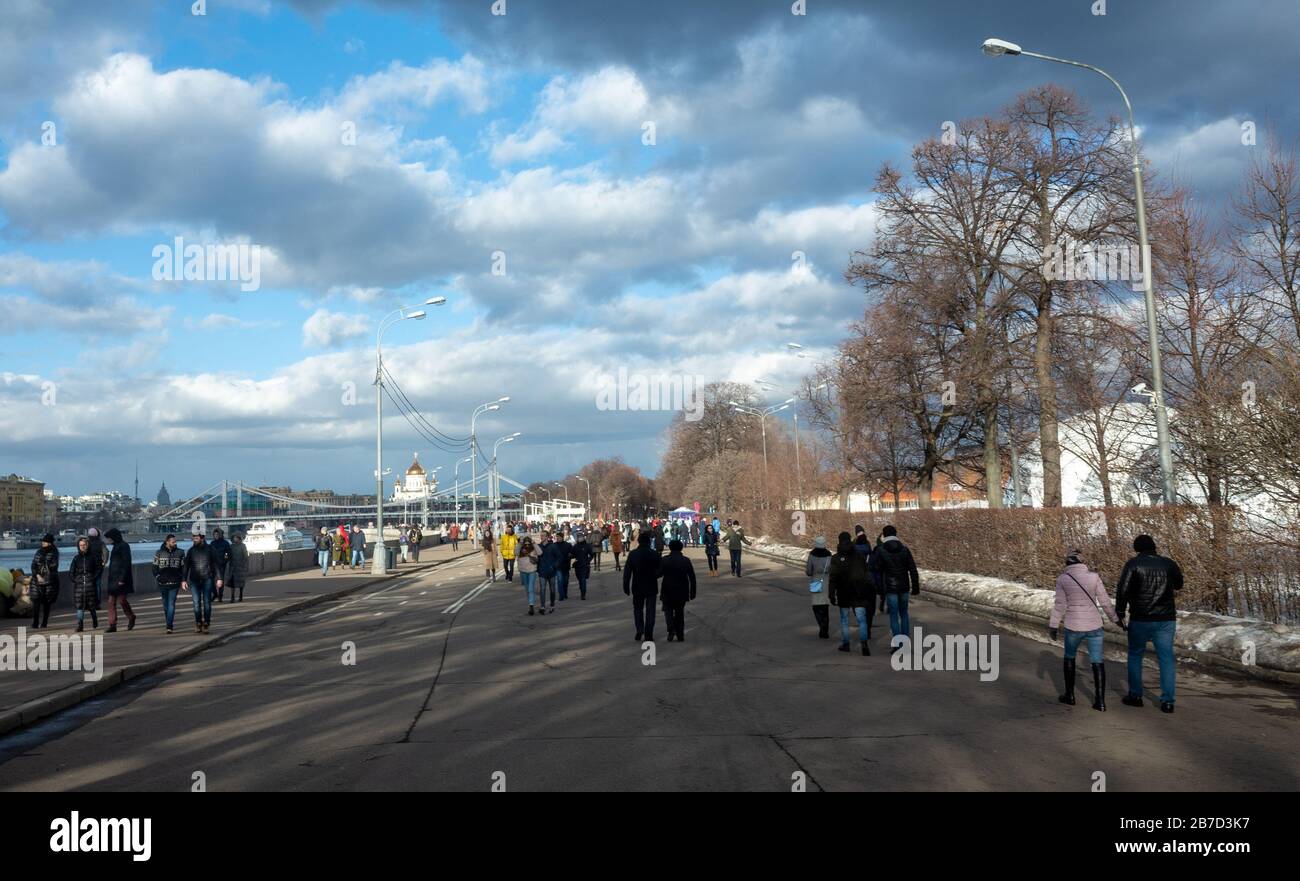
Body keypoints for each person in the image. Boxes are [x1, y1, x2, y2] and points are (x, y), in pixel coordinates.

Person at [1116, 534, 1183, 714]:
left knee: (1135, 655)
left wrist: (1120, 612)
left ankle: (1135, 696)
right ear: (1154, 547)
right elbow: (1179, 584)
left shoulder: (1133, 564)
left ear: (1136, 549)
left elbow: (1123, 590)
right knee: (1166, 658)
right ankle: (1168, 702)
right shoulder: (1168, 563)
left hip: (1140, 617)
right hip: (1166, 618)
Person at [1050, 549, 1119, 710]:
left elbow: (1060, 605)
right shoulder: (1094, 577)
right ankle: (1100, 701)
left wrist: (1053, 625)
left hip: (1073, 625)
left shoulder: (1063, 579)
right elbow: (1105, 602)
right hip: (1094, 625)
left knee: (1069, 657)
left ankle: (1070, 696)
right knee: (1097, 661)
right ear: (1082, 563)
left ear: (1067, 563)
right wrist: (1115, 619)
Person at [871, 525, 919, 653]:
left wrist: (880, 589)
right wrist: (915, 586)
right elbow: (913, 569)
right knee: (904, 614)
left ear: (884, 535)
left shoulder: (881, 550)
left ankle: (898, 644)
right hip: (903, 586)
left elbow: (877, 572)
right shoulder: (904, 549)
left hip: (890, 588)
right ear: (896, 534)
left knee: (893, 616)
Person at [829, 531, 872, 655]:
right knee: (861, 619)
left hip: (843, 593)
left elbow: (833, 578)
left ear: (839, 541)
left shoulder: (836, 558)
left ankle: (846, 644)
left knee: (844, 619)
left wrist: (831, 594)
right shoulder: (859, 557)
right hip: (859, 592)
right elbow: (866, 575)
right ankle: (864, 643)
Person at [623, 531, 662, 642]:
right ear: (649, 542)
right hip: (651, 585)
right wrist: (655, 575)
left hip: (637, 585)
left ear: (639, 541)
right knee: (651, 611)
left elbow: (627, 572)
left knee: (638, 609)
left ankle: (639, 629)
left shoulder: (633, 554)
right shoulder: (654, 554)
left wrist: (626, 585)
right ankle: (648, 633)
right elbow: (661, 569)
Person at [183, 531, 220, 634]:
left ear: (202, 539)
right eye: (193, 538)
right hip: (194, 580)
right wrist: (183, 580)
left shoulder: (210, 549)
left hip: (207, 578)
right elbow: (186, 566)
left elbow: (216, 564)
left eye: (196, 538)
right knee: (196, 603)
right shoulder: (191, 551)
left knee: (207, 602)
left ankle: (207, 623)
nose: (194, 540)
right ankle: (198, 623)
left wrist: (219, 578)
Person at [660, 540, 697, 642]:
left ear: (670, 548)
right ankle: (680, 634)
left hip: (667, 589)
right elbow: (692, 577)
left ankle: (671, 628)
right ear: (681, 548)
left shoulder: (665, 560)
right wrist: (692, 592)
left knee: (668, 610)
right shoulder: (685, 560)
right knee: (679, 612)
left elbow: (658, 574)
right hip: (682, 590)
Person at [103, 527, 136, 633]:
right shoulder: (115, 546)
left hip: (122, 579)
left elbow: (126, 563)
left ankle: (131, 616)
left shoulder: (124, 546)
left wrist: (122, 579)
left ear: (114, 537)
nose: (108, 541)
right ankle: (112, 624)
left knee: (122, 600)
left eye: (109, 538)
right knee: (111, 602)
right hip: (113, 579)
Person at [153, 534, 185, 633]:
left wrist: (182, 579)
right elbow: (154, 567)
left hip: (175, 582)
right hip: (162, 583)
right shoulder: (159, 553)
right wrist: (158, 577)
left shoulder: (180, 552)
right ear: (167, 542)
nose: (175, 543)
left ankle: (169, 626)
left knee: (171, 604)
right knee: (165, 605)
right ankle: (168, 620)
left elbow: (183, 568)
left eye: (175, 542)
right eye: (173, 542)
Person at [70, 536, 102, 632]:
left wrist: (93, 577)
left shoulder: (93, 557)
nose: (82, 547)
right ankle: (80, 625)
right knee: (80, 606)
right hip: (79, 585)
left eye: (84, 545)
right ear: (78, 546)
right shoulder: (76, 558)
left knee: (91, 606)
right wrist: (75, 579)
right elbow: (71, 572)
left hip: (90, 584)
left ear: (87, 545)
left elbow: (98, 568)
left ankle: (95, 620)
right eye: (80, 545)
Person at [29, 533, 59, 630]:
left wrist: (44, 571)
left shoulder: (54, 553)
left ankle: (44, 622)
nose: (43, 543)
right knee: (36, 601)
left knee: (47, 602)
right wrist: (37, 575)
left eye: (45, 542)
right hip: (36, 580)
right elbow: (33, 564)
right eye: (43, 541)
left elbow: (54, 567)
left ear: (50, 543)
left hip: (49, 581)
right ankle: (35, 622)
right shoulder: (38, 552)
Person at [804, 535, 832, 639]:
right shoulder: (829, 555)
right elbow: (831, 569)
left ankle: (821, 625)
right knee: (825, 606)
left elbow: (809, 571)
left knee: (816, 606)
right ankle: (825, 628)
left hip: (816, 580)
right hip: (826, 581)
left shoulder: (812, 554)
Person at [852, 528, 877, 638]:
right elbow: (876, 569)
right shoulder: (871, 554)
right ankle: (868, 628)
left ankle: (863, 627)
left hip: (857, 583)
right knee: (870, 608)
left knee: (857, 606)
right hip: (870, 583)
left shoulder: (853, 554)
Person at [537, 531, 561, 614]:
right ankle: (542, 606)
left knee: (552, 590)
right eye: (541, 536)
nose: (541, 537)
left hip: (551, 572)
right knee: (542, 589)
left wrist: (554, 566)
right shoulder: (538, 547)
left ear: (547, 537)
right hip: (542, 571)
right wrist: (537, 568)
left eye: (543, 536)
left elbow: (559, 557)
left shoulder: (553, 546)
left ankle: (552, 605)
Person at [518, 536, 539, 615]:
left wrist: (534, 543)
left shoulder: (533, 548)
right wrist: (520, 543)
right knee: (527, 589)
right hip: (523, 571)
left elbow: (540, 552)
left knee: (530, 589)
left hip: (532, 571)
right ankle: (530, 602)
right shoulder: (520, 549)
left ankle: (531, 606)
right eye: (525, 543)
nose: (527, 545)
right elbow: (515, 553)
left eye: (528, 543)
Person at [210, 527, 232, 602]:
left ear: (220, 535)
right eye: (214, 534)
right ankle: (215, 594)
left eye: (217, 534)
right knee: (211, 581)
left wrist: (225, 560)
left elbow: (228, 553)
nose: (216, 536)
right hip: (212, 565)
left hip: (221, 565)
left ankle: (220, 596)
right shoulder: (212, 543)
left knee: (220, 581)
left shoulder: (225, 543)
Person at [229, 532, 249, 602]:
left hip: (240, 567)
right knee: (232, 583)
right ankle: (232, 597)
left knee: (241, 583)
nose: (235, 539)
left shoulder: (243, 546)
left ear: (239, 538)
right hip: (233, 567)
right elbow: (228, 555)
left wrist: (245, 566)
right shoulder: (231, 546)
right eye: (234, 537)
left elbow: (246, 556)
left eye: (236, 537)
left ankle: (240, 595)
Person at [553, 533, 574, 601]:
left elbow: (572, 553)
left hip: (566, 565)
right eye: (557, 537)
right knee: (560, 581)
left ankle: (565, 593)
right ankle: (561, 595)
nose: (557, 538)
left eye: (559, 537)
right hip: (558, 566)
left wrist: (570, 556)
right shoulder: (554, 545)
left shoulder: (568, 545)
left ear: (562, 537)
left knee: (565, 581)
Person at [572, 534, 592, 600]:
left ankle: (583, 594)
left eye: (581, 537)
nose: (580, 538)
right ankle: (581, 587)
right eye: (579, 537)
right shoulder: (575, 546)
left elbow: (592, 554)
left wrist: (588, 560)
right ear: (577, 539)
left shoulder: (587, 546)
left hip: (585, 565)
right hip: (577, 565)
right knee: (580, 579)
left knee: (583, 580)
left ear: (584, 538)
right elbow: (573, 555)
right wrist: (570, 556)